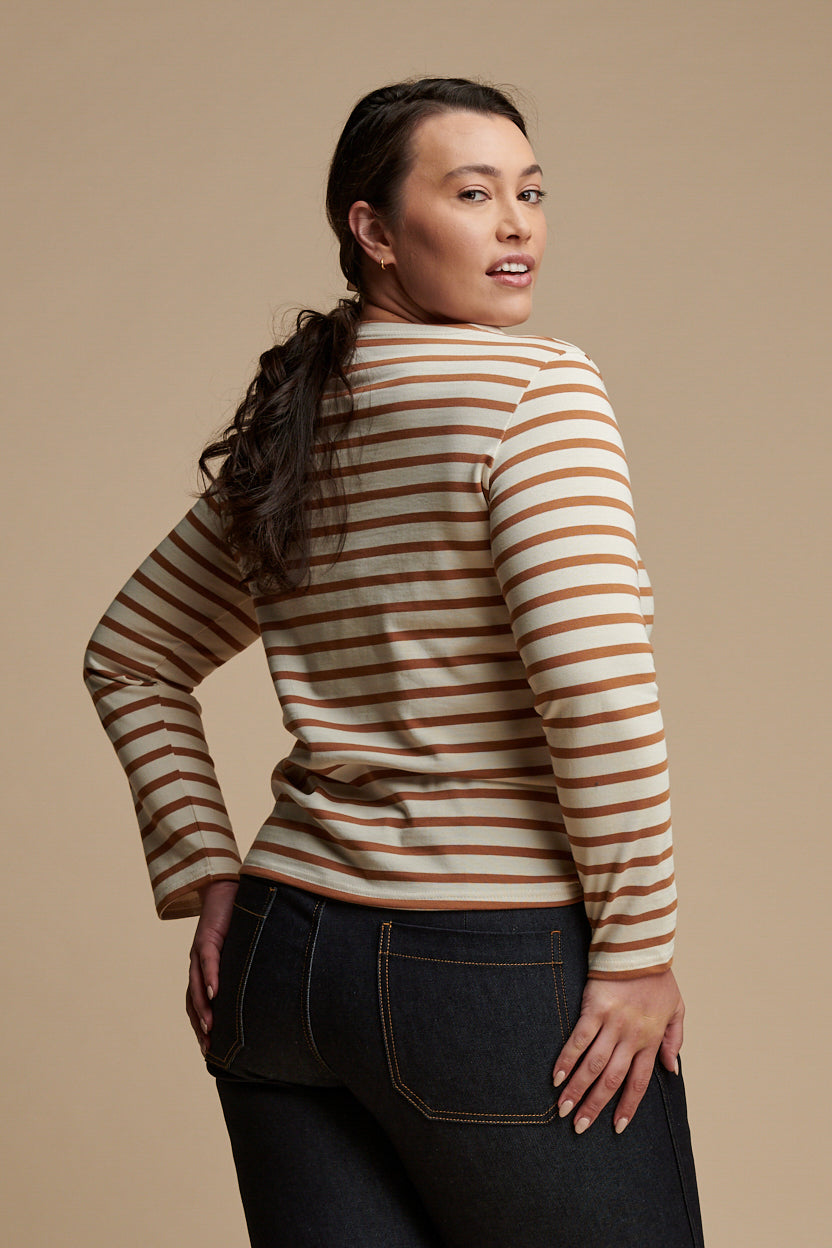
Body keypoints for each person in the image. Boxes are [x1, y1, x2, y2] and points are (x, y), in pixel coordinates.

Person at [83, 77, 704, 1247]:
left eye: (529, 193)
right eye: (471, 194)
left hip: (283, 966)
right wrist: (634, 953)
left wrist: (212, 872)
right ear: (371, 230)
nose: (515, 224)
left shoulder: (298, 417)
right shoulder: (537, 390)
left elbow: (131, 656)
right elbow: (594, 691)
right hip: (486, 963)